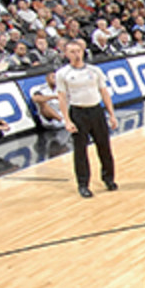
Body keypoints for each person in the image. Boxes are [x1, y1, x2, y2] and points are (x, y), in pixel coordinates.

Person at [56, 39, 117, 198]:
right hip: (78, 113)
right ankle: (83, 184)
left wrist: (111, 114)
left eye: (78, 51)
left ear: (83, 51)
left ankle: (108, 179)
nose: (76, 54)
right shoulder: (63, 74)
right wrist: (67, 120)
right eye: (72, 52)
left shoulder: (95, 70)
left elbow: (104, 92)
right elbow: (62, 98)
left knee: (104, 147)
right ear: (66, 54)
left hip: (96, 111)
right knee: (80, 151)